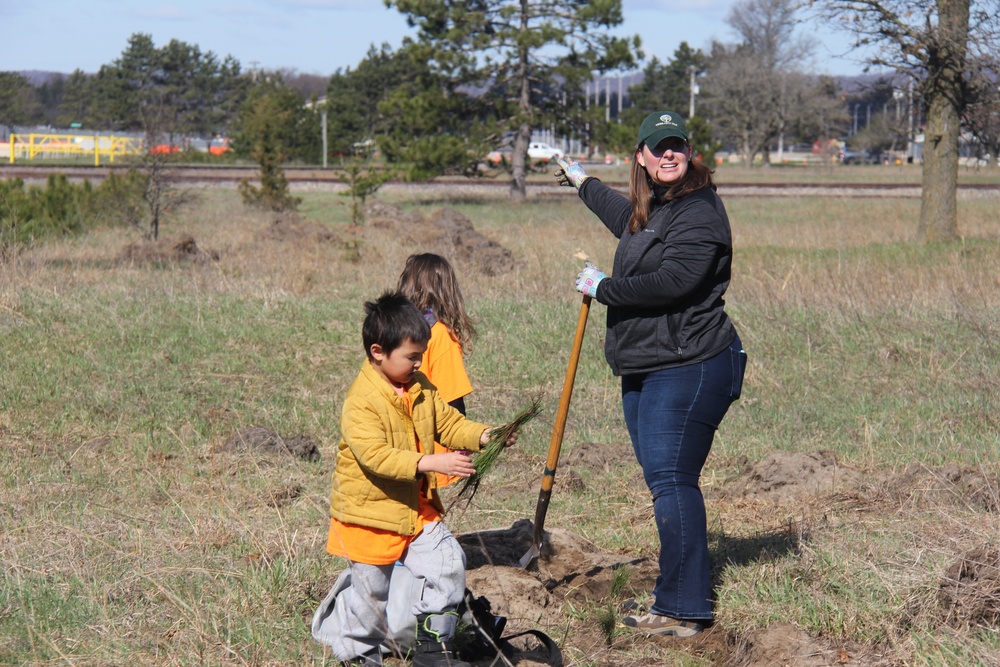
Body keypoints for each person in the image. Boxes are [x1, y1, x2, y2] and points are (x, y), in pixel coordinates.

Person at [554, 111, 747, 637]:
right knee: (664, 480)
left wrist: (604, 287)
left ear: (689, 152)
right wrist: (581, 181)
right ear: (640, 156)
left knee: (672, 481)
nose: (669, 154)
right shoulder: (656, 207)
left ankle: (684, 609)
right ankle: (677, 597)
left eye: (677, 146)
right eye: (658, 147)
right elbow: (626, 220)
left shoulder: (699, 210)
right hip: (647, 363)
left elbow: (676, 281)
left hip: (691, 364)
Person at [325, 292, 516, 667]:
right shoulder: (361, 400)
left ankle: (433, 648)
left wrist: (484, 436)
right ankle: (356, 655)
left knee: (448, 562)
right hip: (370, 515)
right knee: (370, 596)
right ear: (378, 352)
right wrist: (432, 462)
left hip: (415, 509)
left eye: (421, 355)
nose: (419, 362)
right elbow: (375, 457)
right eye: (412, 356)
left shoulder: (421, 386)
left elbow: (449, 423)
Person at [398, 253, 477, 488]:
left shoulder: (398, 332)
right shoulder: (441, 336)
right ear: (446, 292)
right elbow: (452, 400)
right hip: (434, 451)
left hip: (401, 447)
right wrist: (463, 444)